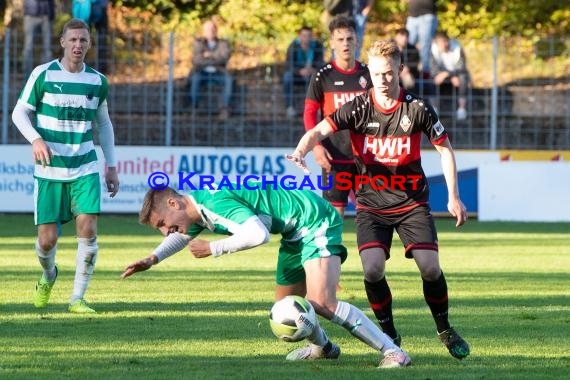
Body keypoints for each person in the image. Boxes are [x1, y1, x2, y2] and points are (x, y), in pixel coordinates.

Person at [286, 39, 471, 360]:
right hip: (371, 206)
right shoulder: (358, 107)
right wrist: (302, 150)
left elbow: (445, 149)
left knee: (430, 268)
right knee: (372, 270)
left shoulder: (417, 107)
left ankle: (444, 328)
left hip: (412, 203)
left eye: (388, 73)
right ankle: (389, 333)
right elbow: (319, 130)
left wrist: (454, 196)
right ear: (368, 72)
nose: (382, 80)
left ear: (399, 70)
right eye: (376, 74)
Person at [121, 186, 411, 368]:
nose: (165, 231)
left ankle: (393, 351)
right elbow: (181, 238)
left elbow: (257, 234)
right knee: (286, 306)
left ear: (174, 204)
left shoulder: (214, 203)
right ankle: (323, 348)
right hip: (292, 233)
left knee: (321, 301)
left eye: (162, 224)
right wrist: (153, 258)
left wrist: (214, 248)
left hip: (312, 220)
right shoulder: (197, 212)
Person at [11, 18, 120, 314]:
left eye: (83, 40)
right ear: (62, 42)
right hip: (49, 169)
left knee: (89, 226)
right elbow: (19, 114)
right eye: (72, 40)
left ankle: (77, 298)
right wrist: (35, 139)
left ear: (89, 44)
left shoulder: (97, 81)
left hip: (84, 166)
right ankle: (48, 275)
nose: (78, 45)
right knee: (47, 241)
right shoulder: (43, 75)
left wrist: (111, 165)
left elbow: (104, 124)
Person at [304, 15, 371, 217]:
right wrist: (316, 146)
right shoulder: (323, 75)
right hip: (334, 156)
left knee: (371, 215)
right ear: (332, 43)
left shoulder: (370, 74)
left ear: (357, 40)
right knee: (334, 215)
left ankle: (373, 250)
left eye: (350, 39)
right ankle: (332, 250)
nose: (345, 44)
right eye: (340, 39)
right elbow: (309, 113)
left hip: (366, 157)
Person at [188, 19, 233, 120]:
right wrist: (215, 58)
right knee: (195, 79)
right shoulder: (198, 43)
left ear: (216, 30)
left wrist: (209, 55)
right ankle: (194, 108)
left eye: (213, 29)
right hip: (201, 71)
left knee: (228, 80)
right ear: (203, 31)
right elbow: (196, 60)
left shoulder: (223, 43)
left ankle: (224, 108)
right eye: (208, 29)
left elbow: (224, 58)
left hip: (219, 72)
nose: (210, 31)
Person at [283, 26, 324, 119]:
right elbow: (288, 64)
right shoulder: (293, 46)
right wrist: (299, 71)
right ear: (300, 36)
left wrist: (313, 70)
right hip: (297, 74)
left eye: (309, 35)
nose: (306, 38)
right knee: (287, 77)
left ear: (311, 37)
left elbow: (321, 63)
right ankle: (290, 107)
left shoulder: (317, 46)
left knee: (320, 78)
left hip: (312, 73)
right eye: (304, 35)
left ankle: (318, 108)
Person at [430, 31, 470, 120]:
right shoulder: (433, 50)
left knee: (463, 78)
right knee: (432, 79)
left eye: (445, 41)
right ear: (436, 43)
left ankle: (462, 108)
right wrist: (444, 75)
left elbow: (462, 67)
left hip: (456, 74)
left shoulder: (457, 48)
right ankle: (434, 108)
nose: (444, 44)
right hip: (441, 75)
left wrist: (449, 74)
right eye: (441, 42)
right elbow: (433, 69)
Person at [403, 0, 438, 77]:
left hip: (427, 15)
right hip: (412, 16)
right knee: (407, 45)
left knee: (425, 48)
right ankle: (406, 73)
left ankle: (425, 77)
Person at [22, 0, 55, 78]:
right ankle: (27, 76)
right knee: (28, 47)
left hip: (46, 13)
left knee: (47, 48)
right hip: (30, 13)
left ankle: (46, 76)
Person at [393, 27, 422, 92]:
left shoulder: (413, 49)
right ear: (396, 37)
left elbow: (414, 63)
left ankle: (409, 100)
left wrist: (405, 69)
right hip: (394, 72)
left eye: (406, 36)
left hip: (408, 73)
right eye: (402, 35)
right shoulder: (391, 48)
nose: (404, 38)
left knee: (408, 80)